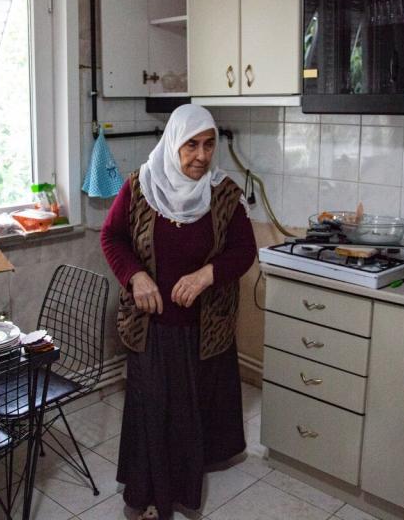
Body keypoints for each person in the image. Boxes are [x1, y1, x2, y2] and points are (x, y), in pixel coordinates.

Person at [100, 104, 257, 520]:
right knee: (152, 411)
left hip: (204, 329)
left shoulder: (224, 194)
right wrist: (135, 276)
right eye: (191, 145)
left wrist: (209, 273)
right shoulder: (139, 187)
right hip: (150, 326)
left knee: (190, 417)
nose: (201, 156)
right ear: (173, 144)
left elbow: (245, 251)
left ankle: (184, 498)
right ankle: (147, 498)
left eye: (209, 145)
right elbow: (112, 238)